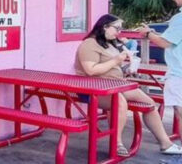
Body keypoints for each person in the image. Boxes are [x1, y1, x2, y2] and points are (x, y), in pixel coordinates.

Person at [75, 14, 182, 156]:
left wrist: (126, 70)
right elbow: (91, 70)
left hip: (115, 85)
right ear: (104, 27)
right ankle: (117, 143)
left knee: (149, 104)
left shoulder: (110, 43)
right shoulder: (89, 44)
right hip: (92, 90)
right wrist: (117, 60)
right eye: (116, 28)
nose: (119, 32)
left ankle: (165, 143)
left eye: (121, 29)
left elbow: (111, 68)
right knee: (119, 101)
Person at [139, 0, 182, 147]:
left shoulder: (180, 19)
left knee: (180, 110)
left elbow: (165, 42)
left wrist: (147, 33)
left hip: (179, 73)